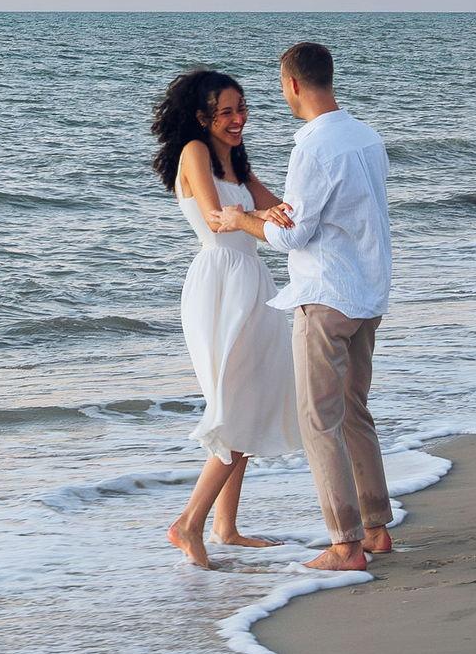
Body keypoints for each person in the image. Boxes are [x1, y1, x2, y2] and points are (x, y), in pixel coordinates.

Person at [211, 41, 392, 571]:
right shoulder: (366, 136)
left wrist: (239, 219)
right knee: (355, 412)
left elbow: (293, 236)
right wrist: (276, 211)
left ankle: (345, 545)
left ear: (291, 85)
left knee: (319, 420)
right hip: (368, 291)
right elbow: (343, 213)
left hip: (326, 295)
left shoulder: (312, 147)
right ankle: (376, 529)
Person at [150, 67, 302, 569]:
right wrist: (262, 219)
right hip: (220, 285)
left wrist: (298, 209)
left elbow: (280, 210)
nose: (239, 120)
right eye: (227, 112)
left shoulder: (237, 160)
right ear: (202, 117)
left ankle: (225, 527)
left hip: (254, 281)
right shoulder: (194, 152)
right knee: (234, 406)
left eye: (243, 109)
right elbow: (218, 221)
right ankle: (187, 524)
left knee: (251, 402)